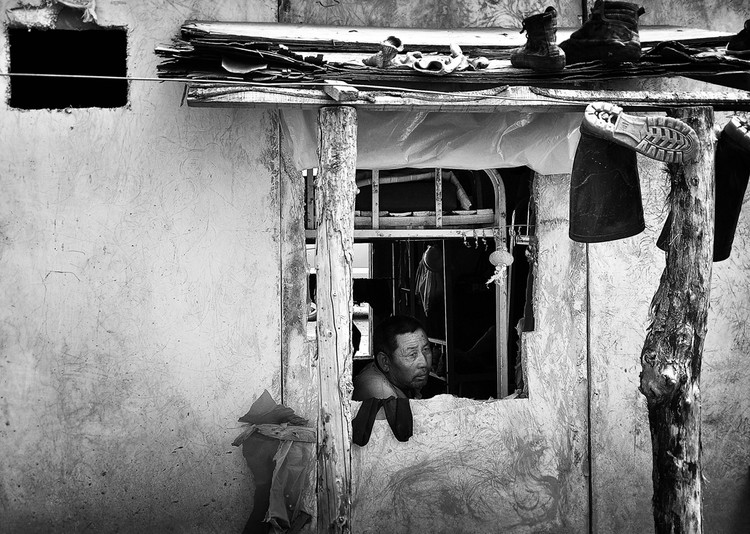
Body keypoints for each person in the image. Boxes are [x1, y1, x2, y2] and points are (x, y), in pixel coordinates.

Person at [352, 315, 432, 401]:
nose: (424, 363)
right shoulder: (382, 395)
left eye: (426, 349)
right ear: (385, 362)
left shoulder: (398, 380)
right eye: (412, 354)